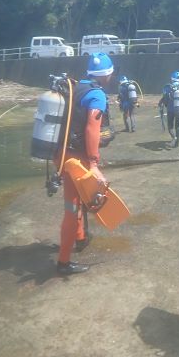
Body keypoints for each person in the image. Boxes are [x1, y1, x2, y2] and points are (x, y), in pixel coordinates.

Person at [55, 52, 115, 275]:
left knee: (77, 201)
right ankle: (63, 262)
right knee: (72, 208)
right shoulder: (97, 94)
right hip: (75, 160)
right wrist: (93, 164)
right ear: (107, 75)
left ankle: (80, 238)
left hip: (60, 153)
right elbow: (92, 127)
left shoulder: (75, 87)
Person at [158, 71, 179, 147]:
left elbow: (165, 98)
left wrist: (164, 105)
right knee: (178, 126)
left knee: (170, 127)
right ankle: (177, 144)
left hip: (171, 110)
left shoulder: (167, 87)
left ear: (172, 78)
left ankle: (174, 138)